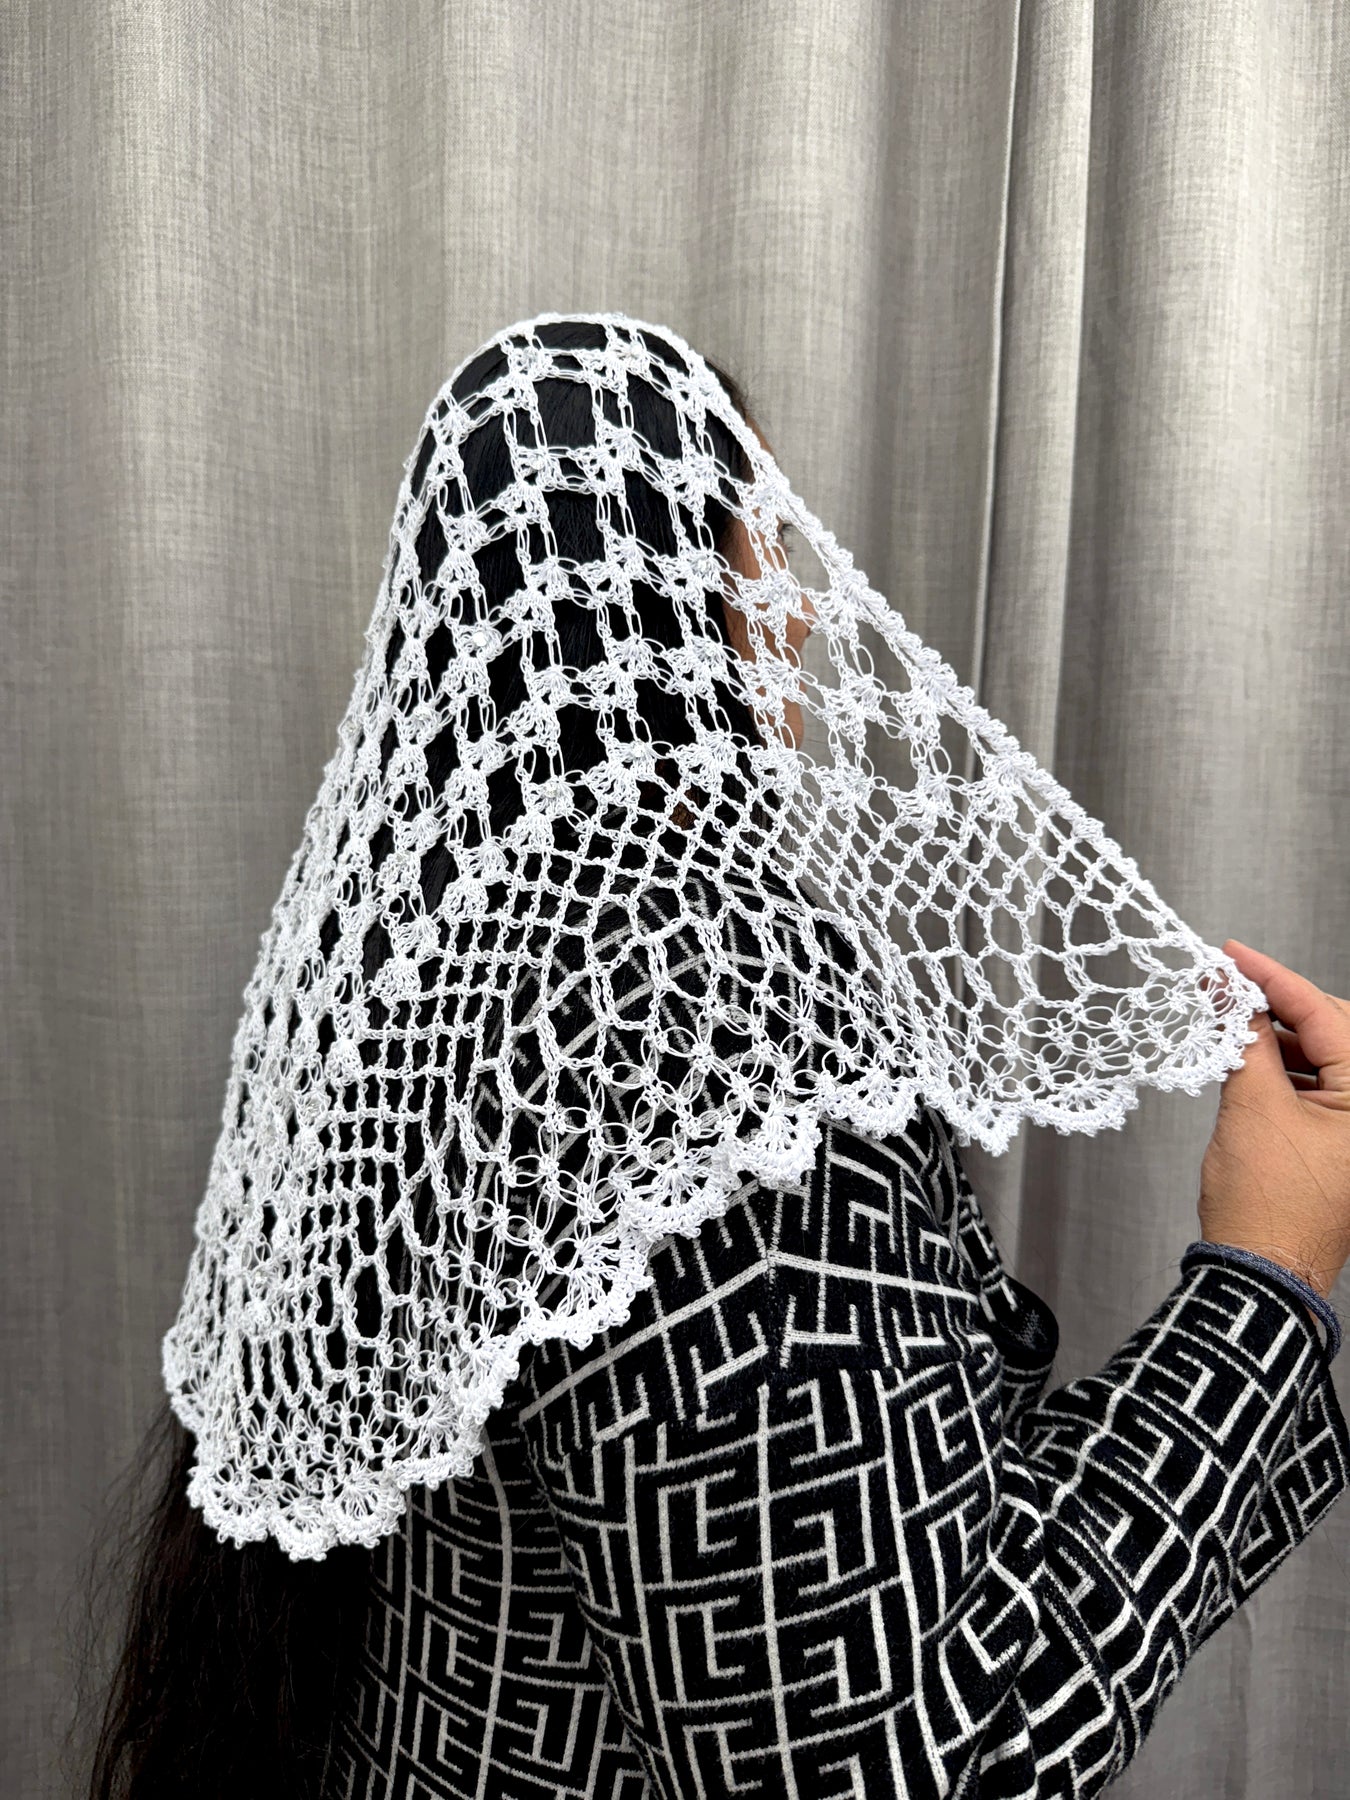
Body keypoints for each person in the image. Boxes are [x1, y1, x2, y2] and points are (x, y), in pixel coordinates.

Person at [78, 317, 1350, 1799]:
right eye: (768, 547)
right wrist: (1266, 1275)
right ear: (684, 597)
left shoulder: (423, 963)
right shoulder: (704, 1032)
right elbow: (891, 1769)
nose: (800, 620)